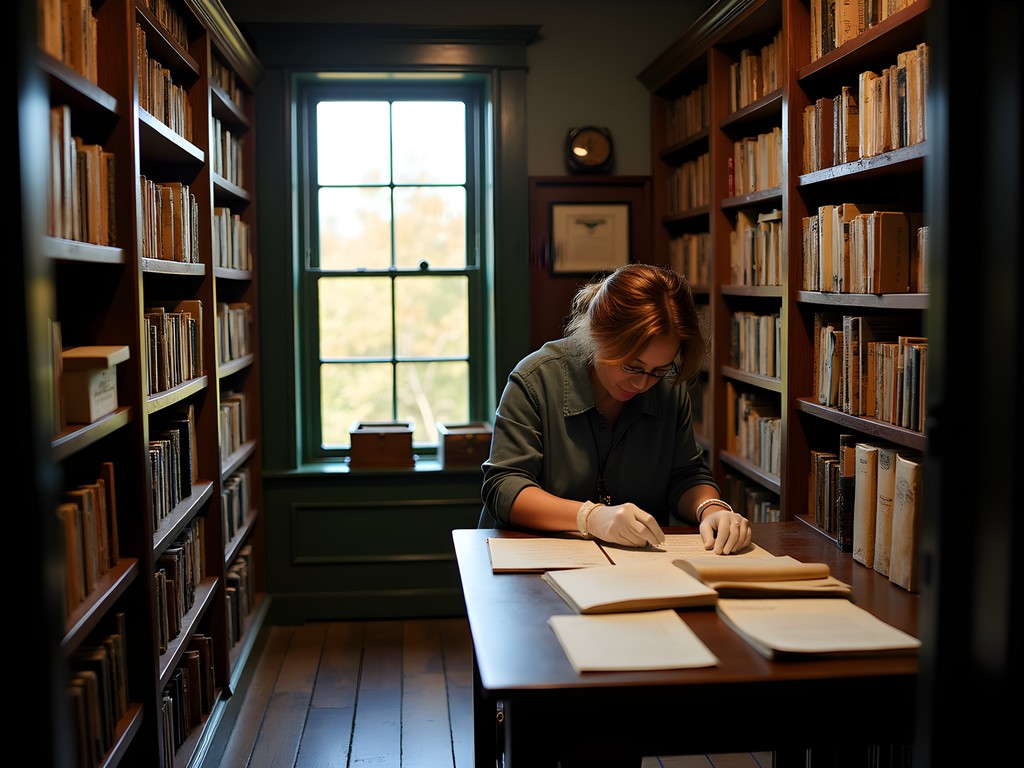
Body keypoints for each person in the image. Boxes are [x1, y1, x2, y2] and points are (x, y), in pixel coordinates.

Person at [480, 262, 751, 555]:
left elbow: (686, 474)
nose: (642, 383)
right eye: (632, 366)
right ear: (596, 335)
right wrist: (590, 517)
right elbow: (504, 487)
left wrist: (711, 509)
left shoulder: (668, 387)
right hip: (536, 559)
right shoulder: (536, 379)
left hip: (636, 565)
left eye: (658, 370)